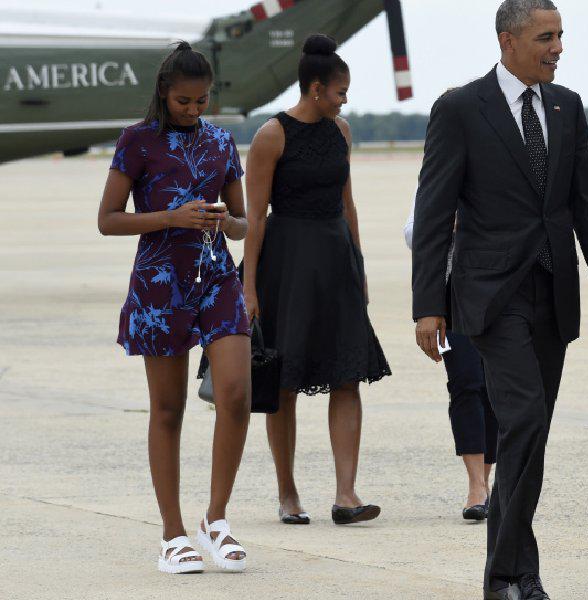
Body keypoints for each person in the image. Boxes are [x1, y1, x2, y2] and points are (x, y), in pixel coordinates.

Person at [411, 1, 588, 597]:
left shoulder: (566, 106)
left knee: (528, 435)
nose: (558, 48)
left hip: (552, 292)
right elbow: (433, 212)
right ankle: (512, 574)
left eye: (560, 35)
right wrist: (428, 304)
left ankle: (509, 572)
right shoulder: (461, 108)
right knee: (525, 420)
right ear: (508, 41)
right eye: (545, 37)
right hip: (491, 295)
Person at [97, 41, 252, 574]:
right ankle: (172, 534)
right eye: (184, 101)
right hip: (160, 284)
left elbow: (243, 224)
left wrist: (226, 221)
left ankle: (216, 519)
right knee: (168, 410)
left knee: (236, 394)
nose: (193, 110)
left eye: (201, 101)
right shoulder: (136, 141)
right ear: (164, 93)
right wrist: (172, 217)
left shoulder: (221, 141)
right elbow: (108, 219)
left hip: (217, 278)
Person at [242, 34, 391, 527]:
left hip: (335, 261)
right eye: (340, 91)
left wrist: (359, 265)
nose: (345, 100)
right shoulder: (271, 135)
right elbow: (255, 218)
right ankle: (287, 493)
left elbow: (348, 204)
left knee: (347, 375)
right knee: (283, 381)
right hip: (286, 265)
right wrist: (248, 288)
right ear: (316, 88)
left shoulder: (340, 131)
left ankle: (346, 494)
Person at [404, 196, 497, 521]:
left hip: (501, 290)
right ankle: (476, 485)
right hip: (449, 294)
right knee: (465, 382)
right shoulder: (439, 172)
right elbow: (412, 234)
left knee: (494, 386)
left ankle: (486, 478)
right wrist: (447, 220)